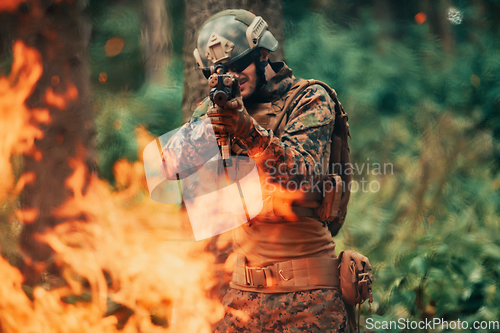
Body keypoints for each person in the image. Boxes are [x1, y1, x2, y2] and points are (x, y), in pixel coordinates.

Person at [164, 9, 347, 333]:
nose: (232, 76)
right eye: (220, 70)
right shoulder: (212, 113)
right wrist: (212, 126)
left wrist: (246, 130)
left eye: (238, 66)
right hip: (237, 298)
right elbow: (170, 167)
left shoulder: (309, 99)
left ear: (262, 55)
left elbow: (300, 174)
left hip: (307, 298)